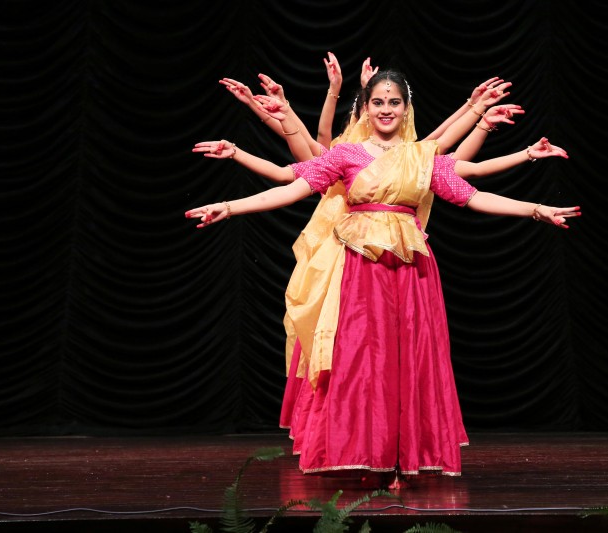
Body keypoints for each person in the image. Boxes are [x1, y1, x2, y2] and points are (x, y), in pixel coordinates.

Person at [187, 69, 579, 487]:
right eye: (378, 102)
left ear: (406, 109)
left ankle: (401, 459)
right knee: (360, 360)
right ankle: (363, 453)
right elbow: (290, 187)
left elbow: (473, 195)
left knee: (409, 358)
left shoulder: (423, 156)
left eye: (394, 102)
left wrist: (535, 209)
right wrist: (230, 207)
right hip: (360, 270)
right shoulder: (346, 154)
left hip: (411, 270)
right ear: (366, 107)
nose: (386, 109)